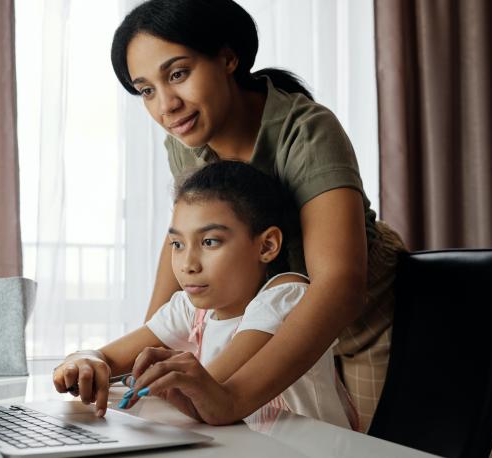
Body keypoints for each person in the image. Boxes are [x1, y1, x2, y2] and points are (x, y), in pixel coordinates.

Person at [107, 0, 407, 430]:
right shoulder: (186, 139)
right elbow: (186, 233)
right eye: (146, 90)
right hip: (269, 319)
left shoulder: (306, 131)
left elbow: (339, 284)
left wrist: (231, 398)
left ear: (229, 58)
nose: (166, 105)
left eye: (178, 74)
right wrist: (141, 361)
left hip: (360, 321)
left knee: (366, 445)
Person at [53, 161, 353, 429]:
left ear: (266, 246)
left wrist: (145, 377)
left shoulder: (286, 296)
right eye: (177, 244)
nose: (187, 265)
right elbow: (107, 356)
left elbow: (209, 390)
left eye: (209, 242)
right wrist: (83, 361)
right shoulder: (191, 309)